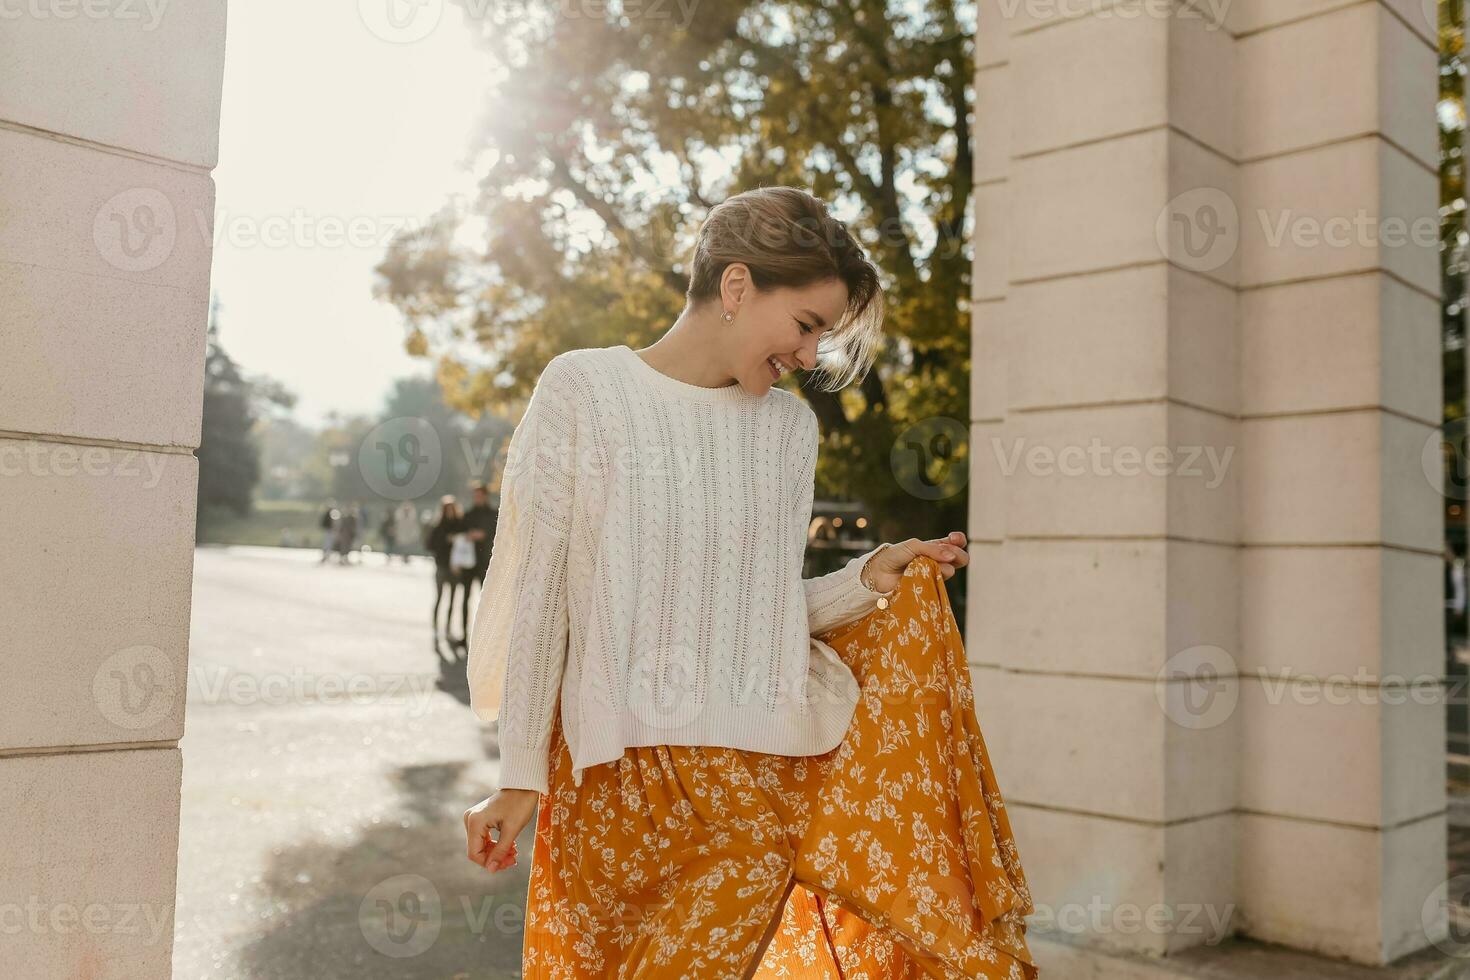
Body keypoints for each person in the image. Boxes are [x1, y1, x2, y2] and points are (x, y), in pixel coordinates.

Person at [460, 186, 1035, 978]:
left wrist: (869, 577)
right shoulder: (583, 392)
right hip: (604, 784)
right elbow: (542, 604)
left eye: (821, 338)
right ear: (737, 287)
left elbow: (757, 612)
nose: (809, 357)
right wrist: (520, 776)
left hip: (747, 788)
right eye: (805, 326)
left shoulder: (788, 430)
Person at [457, 482, 498, 644]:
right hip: (469, 563)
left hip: (486, 563)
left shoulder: (494, 514)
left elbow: (498, 536)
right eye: (475, 496)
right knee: (465, 599)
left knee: (486, 601)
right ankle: (464, 636)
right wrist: (469, 535)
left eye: (480, 495)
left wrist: (484, 535)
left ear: (486, 496)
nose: (478, 498)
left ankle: (486, 637)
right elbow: (461, 533)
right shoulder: (468, 515)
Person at [427, 496, 466, 642]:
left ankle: (448, 628)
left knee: (453, 599)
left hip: (455, 567)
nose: (449, 511)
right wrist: (445, 539)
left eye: (451, 508)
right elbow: (429, 545)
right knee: (439, 597)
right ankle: (436, 628)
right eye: (447, 508)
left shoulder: (460, 525)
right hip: (442, 566)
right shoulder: (438, 526)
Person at [393, 500, 421, 565]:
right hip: (402, 534)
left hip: (409, 535)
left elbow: (414, 526)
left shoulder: (412, 518)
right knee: (402, 546)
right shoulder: (399, 517)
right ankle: (403, 556)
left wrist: (414, 534)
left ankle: (407, 556)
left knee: (407, 546)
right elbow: (397, 526)